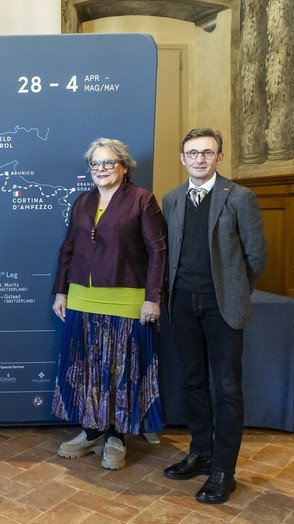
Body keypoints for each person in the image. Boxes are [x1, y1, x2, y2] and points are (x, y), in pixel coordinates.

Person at [162, 128, 267, 504]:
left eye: (207, 153)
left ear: (219, 157)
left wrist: (234, 290)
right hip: (183, 305)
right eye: (192, 153)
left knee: (226, 389)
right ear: (183, 158)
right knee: (193, 382)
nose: (200, 159)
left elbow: (256, 257)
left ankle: (224, 469)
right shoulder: (172, 199)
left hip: (223, 306)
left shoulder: (240, 197)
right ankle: (201, 453)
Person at [51, 138, 166, 470]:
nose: (101, 169)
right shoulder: (82, 201)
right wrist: (61, 292)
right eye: (95, 164)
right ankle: (91, 431)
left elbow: (158, 252)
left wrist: (152, 298)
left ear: (124, 166)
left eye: (108, 163)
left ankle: (117, 436)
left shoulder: (142, 200)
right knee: (87, 369)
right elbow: (67, 249)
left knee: (119, 370)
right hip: (82, 298)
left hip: (126, 301)